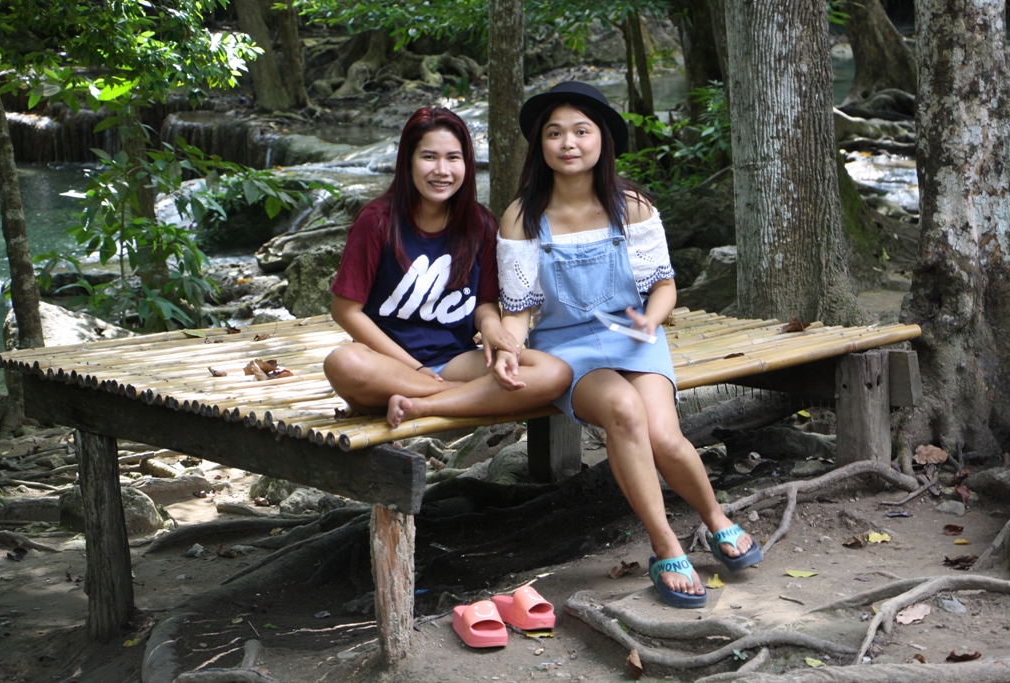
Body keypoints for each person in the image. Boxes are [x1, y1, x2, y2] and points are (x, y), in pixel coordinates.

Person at [496, 82, 761, 608]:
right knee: (622, 410)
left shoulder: (631, 206)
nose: (568, 143)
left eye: (580, 131)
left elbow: (663, 285)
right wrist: (510, 346)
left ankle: (714, 519)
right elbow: (520, 308)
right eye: (554, 133)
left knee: (663, 433)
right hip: (565, 347)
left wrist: (650, 322)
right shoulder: (521, 217)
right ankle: (664, 546)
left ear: (601, 141)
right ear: (540, 147)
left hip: (635, 335)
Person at [323, 107, 571, 429]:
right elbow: (346, 311)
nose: (442, 170)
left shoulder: (479, 223)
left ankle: (421, 405)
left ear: (466, 163)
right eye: (429, 157)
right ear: (408, 161)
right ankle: (469, 397)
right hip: (389, 366)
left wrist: (492, 327)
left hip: (456, 360)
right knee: (342, 362)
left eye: (453, 158)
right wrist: (413, 369)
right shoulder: (377, 222)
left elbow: (483, 303)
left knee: (554, 372)